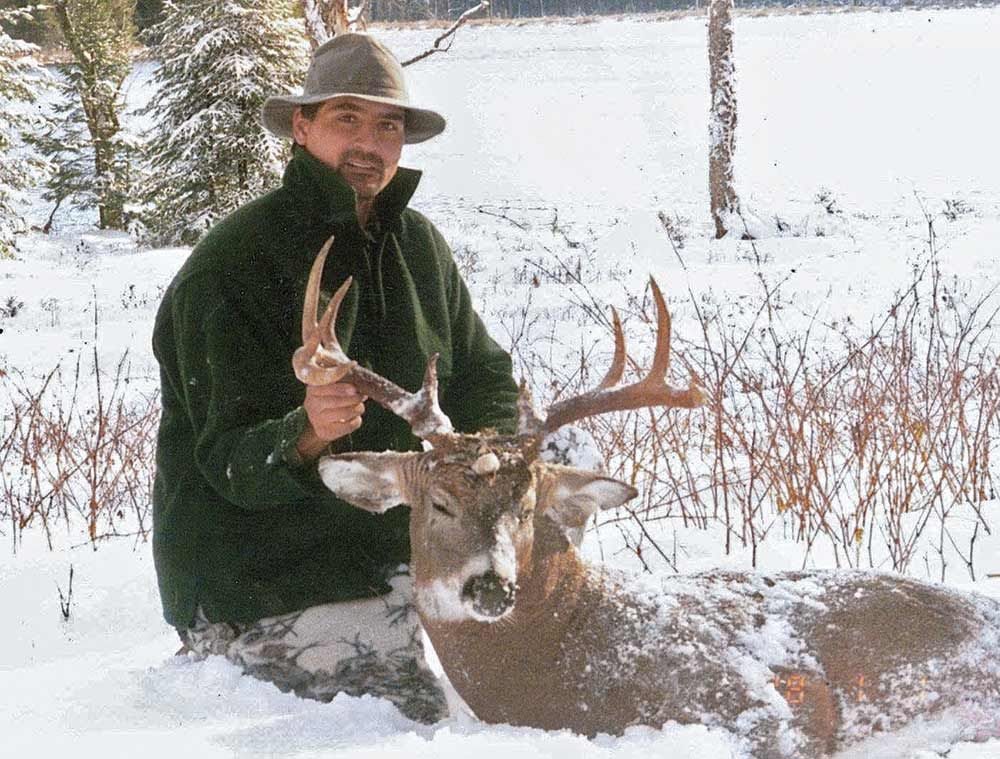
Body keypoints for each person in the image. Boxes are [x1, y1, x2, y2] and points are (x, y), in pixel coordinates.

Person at [151, 32, 519, 722]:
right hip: (262, 581)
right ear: (302, 126)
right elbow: (223, 464)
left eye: (388, 126)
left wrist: (493, 450)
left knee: (541, 664)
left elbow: (485, 375)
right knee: (411, 721)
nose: (368, 143)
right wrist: (306, 433)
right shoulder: (231, 265)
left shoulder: (418, 246)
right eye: (347, 119)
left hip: (395, 557)